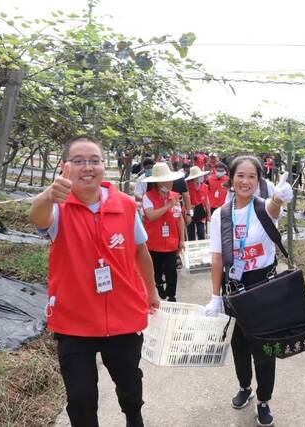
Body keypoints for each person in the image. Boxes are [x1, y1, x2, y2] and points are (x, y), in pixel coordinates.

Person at [29, 135, 160, 427]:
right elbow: (36, 218)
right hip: (74, 320)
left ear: (103, 165)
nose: (87, 167)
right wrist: (48, 195)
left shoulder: (125, 204)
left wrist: (151, 291)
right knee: (81, 397)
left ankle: (134, 417)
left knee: (129, 382)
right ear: (65, 167)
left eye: (94, 160)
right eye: (78, 161)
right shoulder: (58, 207)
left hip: (123, 314)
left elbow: (141, 250)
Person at [203, 155, 293, 427]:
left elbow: (275, 209)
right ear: (231, 178)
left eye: (251, 176)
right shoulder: (222, 215)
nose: (245, 181)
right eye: (240, 175)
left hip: (262, 286)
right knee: (240, 345)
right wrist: (216, 296)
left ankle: (264, 399)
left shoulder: (264, 208)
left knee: (265, 348)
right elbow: (217, 258)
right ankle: (245, 387)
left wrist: (279, 198)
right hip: (235, 288)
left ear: (258, 180)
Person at [142, 162, 186, 301]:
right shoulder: (147, 197)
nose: (170, 182)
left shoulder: (175, 196)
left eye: (171, 179)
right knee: (156, 270)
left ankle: (172, 295)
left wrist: (182, 239)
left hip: (171, 241)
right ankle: (159, 284)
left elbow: (179, 218)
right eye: (167, 180)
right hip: (154, 241)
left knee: (171, 270)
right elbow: (151, 215)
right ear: (159, 182)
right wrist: (167, 206)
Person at [185, 165, 210, 240]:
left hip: (201, 211)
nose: (201, 177)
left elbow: (207, 201)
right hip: (191, 210)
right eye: (199, 176)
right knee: (191, 233)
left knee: (201, 232)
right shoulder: (187, 187)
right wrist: (187, 209)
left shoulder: (205, 186)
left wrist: (208, 214)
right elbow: (184, 200)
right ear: (194, 178)